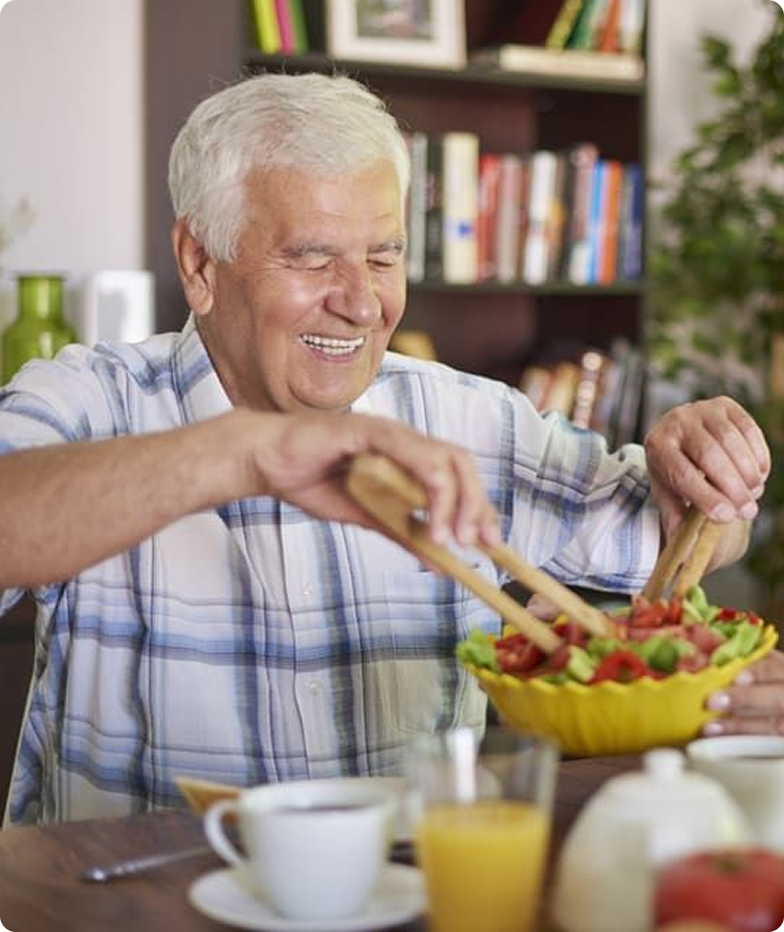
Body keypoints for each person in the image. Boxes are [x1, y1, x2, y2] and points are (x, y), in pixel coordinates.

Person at [0, 72, 773, 825]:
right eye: (311, 257)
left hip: (409, 897)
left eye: (383, 256)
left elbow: (691, 535)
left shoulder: (471, 420)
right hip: (140, 910)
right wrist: (242, 454)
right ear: (200, 264)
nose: (362, 303)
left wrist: (706, 471)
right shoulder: (90, 400)